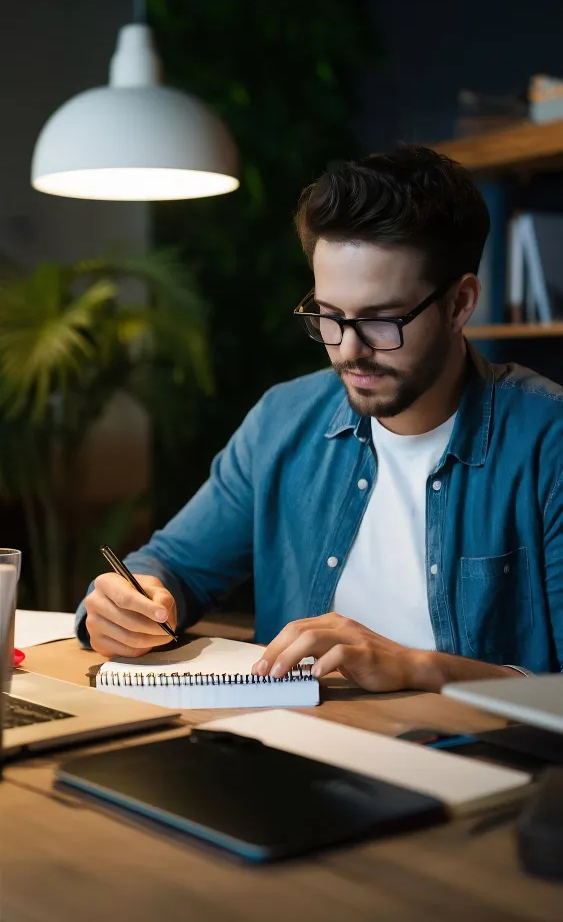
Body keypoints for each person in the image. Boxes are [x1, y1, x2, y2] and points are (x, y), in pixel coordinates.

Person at [76, 146, 563, 691]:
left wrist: (415, 667)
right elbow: (173, 566)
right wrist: (130, 602)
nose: (348, 351)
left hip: (482, 767)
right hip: (294, 753)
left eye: (382, 321)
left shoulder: (549, 442)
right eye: (328, 318)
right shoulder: (283, 421)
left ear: (460, 303)